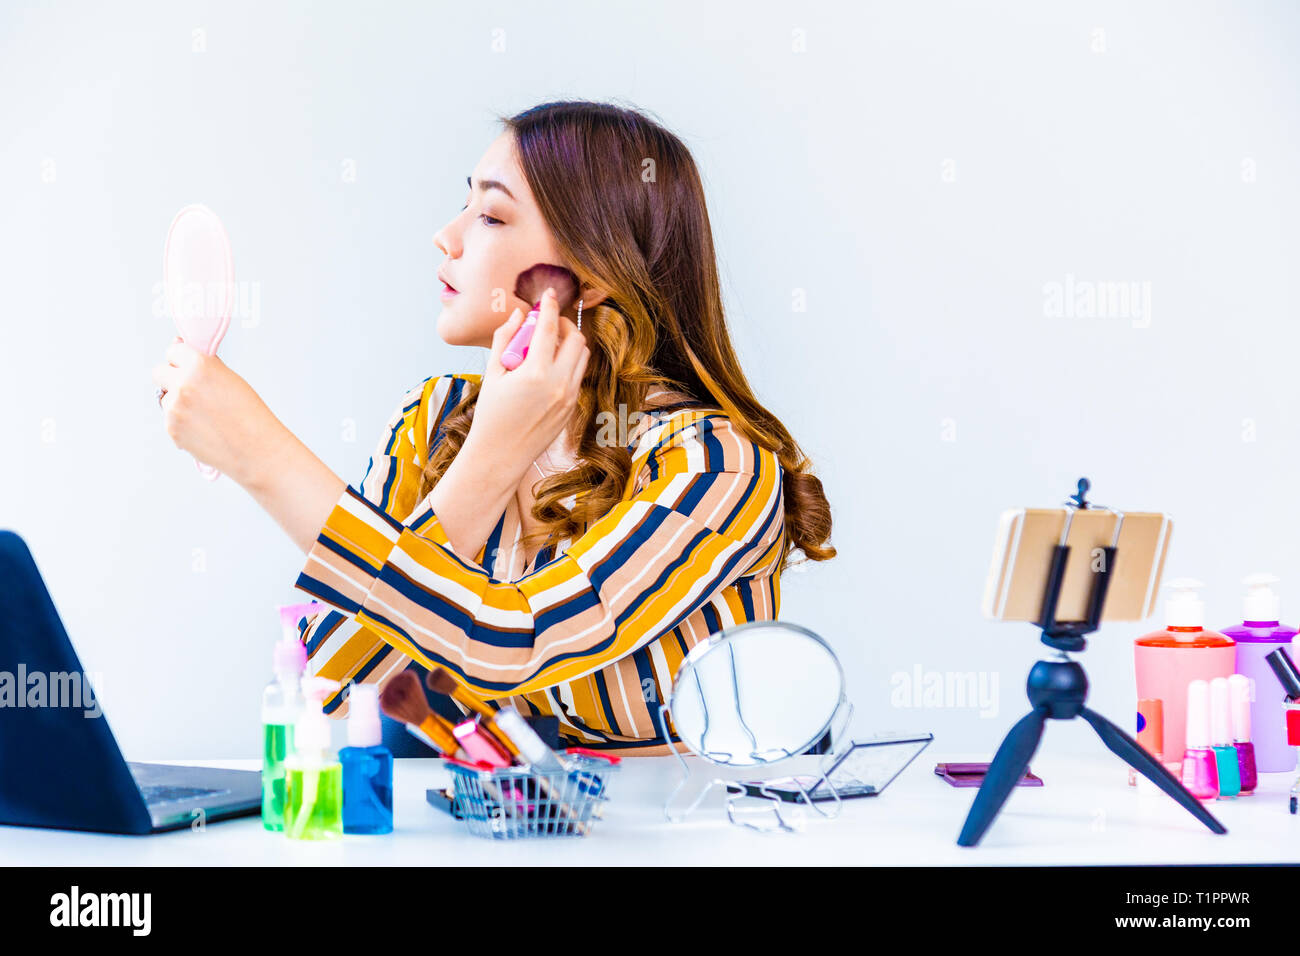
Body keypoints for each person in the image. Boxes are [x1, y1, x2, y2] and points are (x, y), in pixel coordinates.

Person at [151, 99, 836, 756]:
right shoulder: (436, 419)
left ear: (588, 276)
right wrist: (487, 458)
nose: (445, 236)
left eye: (492, 217)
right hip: (512, 833)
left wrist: (262, 456)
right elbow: (337, 672)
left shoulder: (717, 465)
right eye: (465, 206)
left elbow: (514, 643)